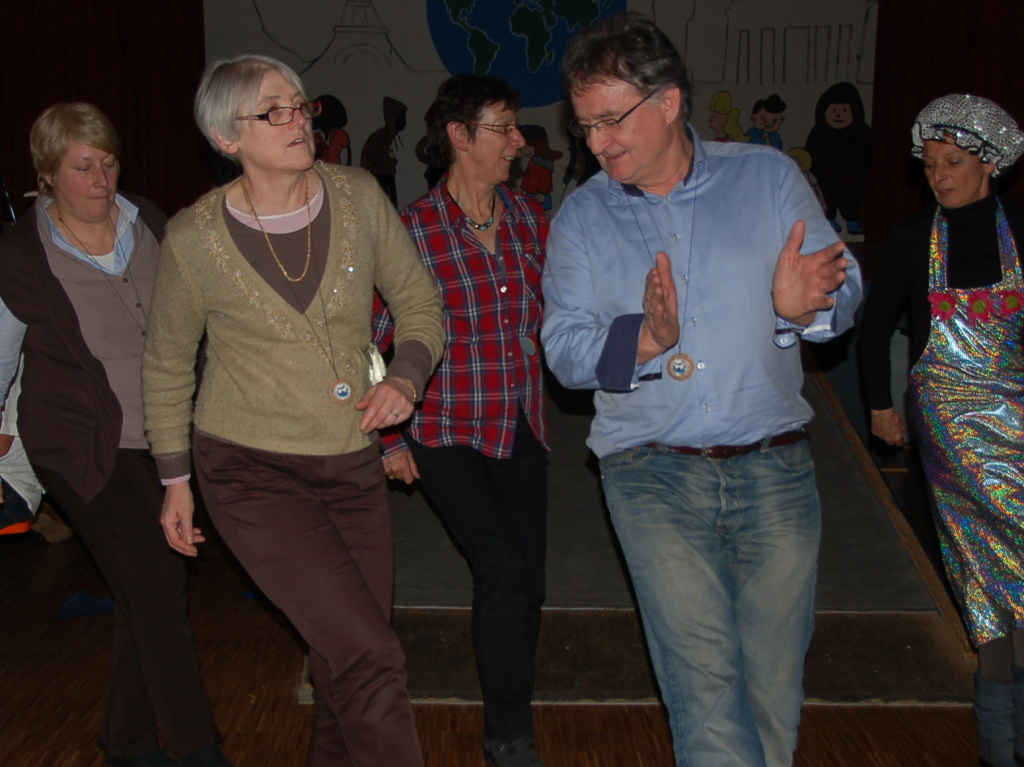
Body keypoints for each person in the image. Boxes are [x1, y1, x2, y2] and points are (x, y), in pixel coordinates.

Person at [540, 12, 861, 767]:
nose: (598, 143)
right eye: (586, 126)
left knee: (772, 696)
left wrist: (805, 308)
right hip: (650, 472)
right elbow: (563, 351)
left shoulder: (767, 179)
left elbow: (843, 286)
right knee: (707, 694)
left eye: (612, 120)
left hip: (776, 467)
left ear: (669, 101)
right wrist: (645, 339)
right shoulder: (583, 217)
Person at [141, 55, 444, 767]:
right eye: (273, 111)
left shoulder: (358, 196)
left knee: (344, 656)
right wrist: (175, 480)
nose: (298, 120)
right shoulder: (193, 238)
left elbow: (419, 304)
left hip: (350, 462)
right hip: (249, 470)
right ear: (227, 137)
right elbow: (165, 363)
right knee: (370, 654)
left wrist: (406, 377)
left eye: (300, 105)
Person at [0, 103, 232, 767]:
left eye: (108, 163)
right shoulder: (19, 252)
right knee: (156, 578)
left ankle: (127, 741)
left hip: (166, 434)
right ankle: (196, 746)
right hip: (81, 444)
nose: (102, 179)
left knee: (143, 589)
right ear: (48, 172)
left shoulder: (149, 220)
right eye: (83, 167)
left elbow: (196, 317)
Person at [373, 74, 549, 767]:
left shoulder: (530, 218)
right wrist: (389, 439)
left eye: (515, 127)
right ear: (459, 135)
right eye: (503, 128)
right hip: (444, 429)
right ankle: (509, 735)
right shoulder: (411, 230)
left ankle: (512, 705)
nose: (519, 141)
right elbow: (372, 338)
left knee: (527, 583)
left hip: (521, 426)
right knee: (500, 565)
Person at [858, 94, 1024, 767]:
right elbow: (873, 329)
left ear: (989, 163)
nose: (939, 176)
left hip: (1020, 417)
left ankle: (1001, 735)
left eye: (952, 162)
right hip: (951, 427)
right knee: (986, 561)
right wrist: (879, 405)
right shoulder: (911, 237)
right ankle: (1001, 742)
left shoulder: (1021, 233)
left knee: (1001, 577)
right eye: (930, 165)